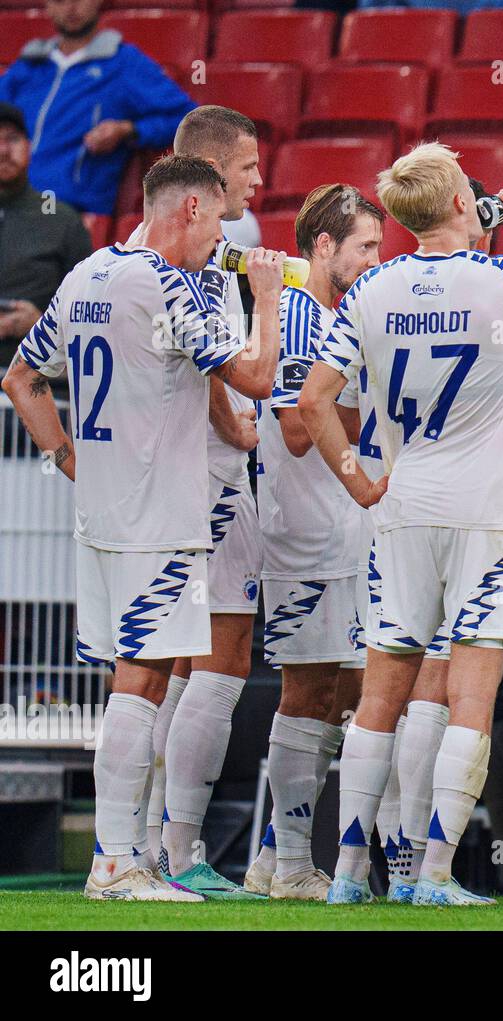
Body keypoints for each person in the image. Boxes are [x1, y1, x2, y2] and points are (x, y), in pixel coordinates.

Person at [296, 142, 503, 906]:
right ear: (465, 202)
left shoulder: (371, 288)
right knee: (469, 696)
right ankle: (431, 874)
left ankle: (346, 873)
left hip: (400, 508)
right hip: (485, 515)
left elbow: (312, 400)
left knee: (379, 696)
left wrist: (358, 480)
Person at [1, 154, 283, 901]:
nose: (221, 234)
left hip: (102, 515)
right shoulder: (168, 284)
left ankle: (123, 854)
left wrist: (67, 457)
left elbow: (20, 378)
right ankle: (114, 860)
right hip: (158, 515)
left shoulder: (88, 272)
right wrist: (265, 299)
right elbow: (254, 378)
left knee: (132, 682)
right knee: (142, 682)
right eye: (219, 218)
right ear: (190, 208)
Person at [144, 106, 278, 900]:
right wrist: (237, 423)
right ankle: (179, 846)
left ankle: (151, 840)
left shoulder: (157, 251)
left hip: (168, 479)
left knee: (172, 663)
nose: (259, 179)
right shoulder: (201, 253)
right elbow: (220, 374)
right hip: (212, 481)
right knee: (220, 658)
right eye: (250, 166)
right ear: (210, 170)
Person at [243, 184, 385, 901]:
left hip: (334, 528)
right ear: (323, 247)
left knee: (342, 688)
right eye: (364, 246)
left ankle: (276, 852)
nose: (374, 260)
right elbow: (301, 430)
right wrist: (389, 420)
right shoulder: (300, 314)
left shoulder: (329, 313)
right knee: (309, 690)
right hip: (308, 529)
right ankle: (293, 860)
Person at [0, 0, 195, 215]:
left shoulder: (124, 62)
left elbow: (187, 119)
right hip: (10, 198)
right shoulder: (29, 65)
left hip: (69, 208)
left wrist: (128, 129)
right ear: (48, 5)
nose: (71, 7)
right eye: (60, 0)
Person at [0, 103, 91, 369]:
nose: (4, 151)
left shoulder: (61, 219)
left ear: (29, 147)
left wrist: (41, 324)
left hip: (39, 377)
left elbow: (90, 313)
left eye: (12, 139)